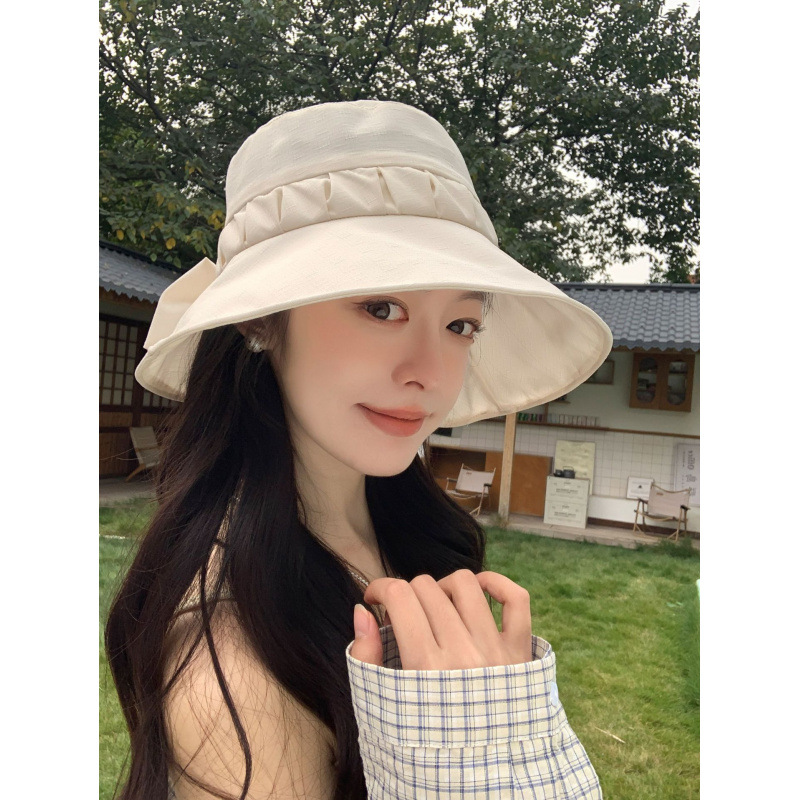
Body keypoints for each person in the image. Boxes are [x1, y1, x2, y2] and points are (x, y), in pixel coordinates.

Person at [105, 99, 612, 800]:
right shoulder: (233, 666)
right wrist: (478, 755)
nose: (429, 372)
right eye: (381, 308)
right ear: (260, 321)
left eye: (461, 324)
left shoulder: (411, 528)